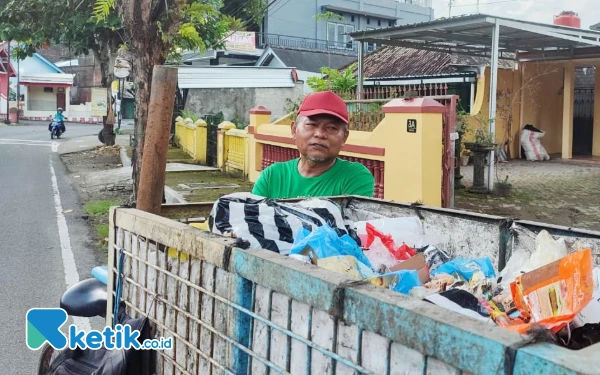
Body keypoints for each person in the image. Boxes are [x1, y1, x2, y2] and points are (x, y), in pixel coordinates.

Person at [252, 91, 375, 199]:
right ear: (294, 130)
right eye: (311, 125)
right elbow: (253, 219)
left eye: (331, 128)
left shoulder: (355, 177)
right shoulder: (272, 176)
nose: (320, 134)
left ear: (344, 137)